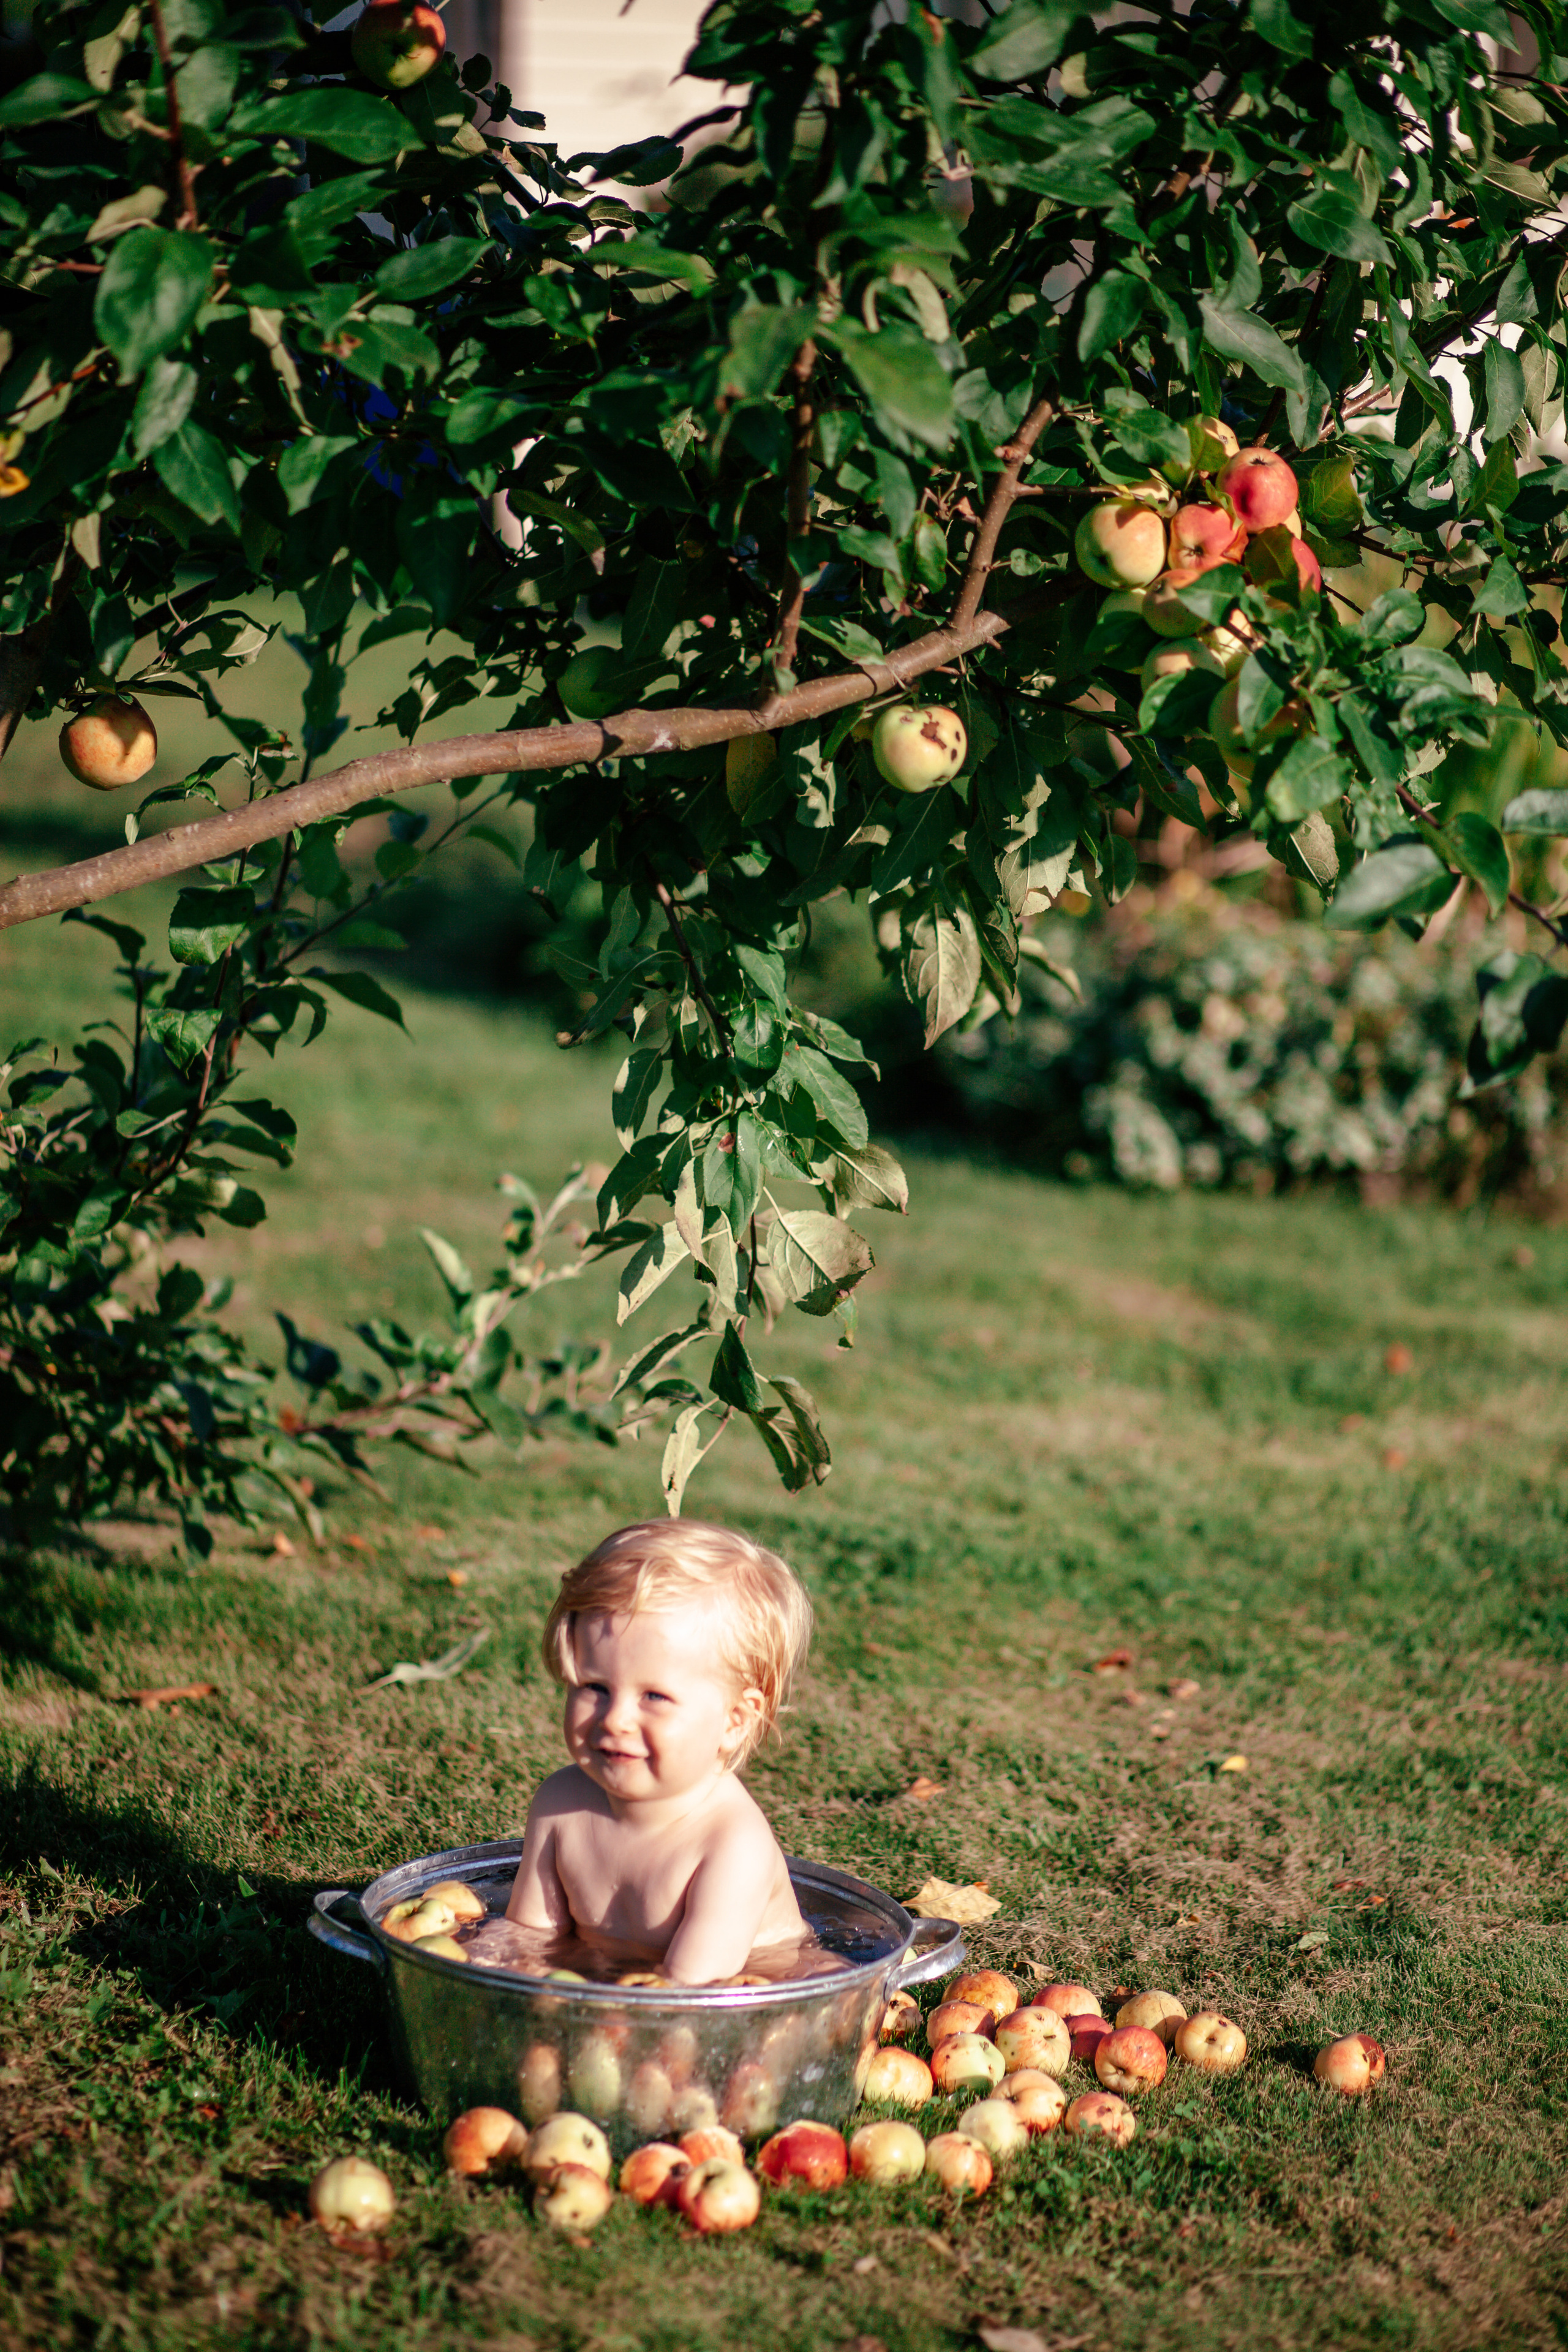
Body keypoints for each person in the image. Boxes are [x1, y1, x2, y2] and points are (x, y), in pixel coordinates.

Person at [504, 1518, 815, 1983]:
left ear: (735, 1720)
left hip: (745, 1991)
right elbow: (527, 1939)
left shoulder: (730, 1844)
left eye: (654, 1697)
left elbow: (687, 1998)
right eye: (594, 1686)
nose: (615, 1719)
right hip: (621, 1980)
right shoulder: (560, 1803)